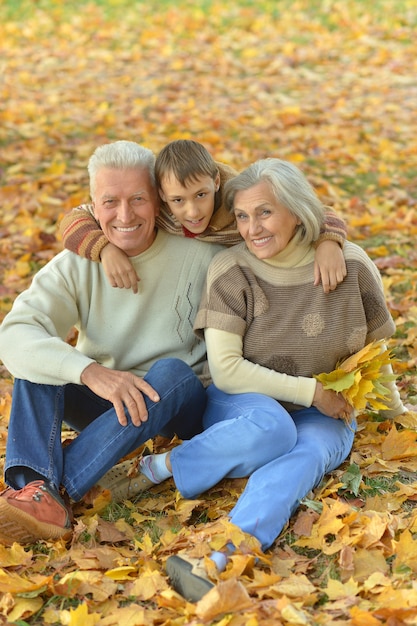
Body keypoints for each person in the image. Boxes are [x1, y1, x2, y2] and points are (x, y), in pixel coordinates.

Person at [123, 158, 405, 602]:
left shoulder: (350, 264)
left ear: (297, 210)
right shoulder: (232, 270)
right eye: (241, 215)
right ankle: (164, 468)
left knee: (307, 455)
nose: (252, 228)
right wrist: (313, 392)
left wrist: (396, 414)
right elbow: (228, 369)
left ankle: (219, 560)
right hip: (244, 400)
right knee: (273, 427)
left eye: (265, 212)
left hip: (327, 412)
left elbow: (376, 350)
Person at [0, 140, 224, 545]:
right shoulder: (77, 261)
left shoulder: (202, 247)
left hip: (179, 406)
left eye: (138, 199)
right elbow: (14, 335)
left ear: (157, 198)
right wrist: (89, 371)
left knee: (171, 372)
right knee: (38, 361)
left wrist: (331, 238)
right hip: (108, 404)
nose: (124, 215)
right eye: (110, 202)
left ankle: (56, 490)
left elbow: (271, 206)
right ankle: (33, 489)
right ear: (91, 205)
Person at [60, 139, 348, 295]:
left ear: (216, 182)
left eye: (201, 195)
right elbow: (74, 219)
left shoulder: (240, 208)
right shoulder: (154, 212)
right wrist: (106, 250)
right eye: (178, 200)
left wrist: (328, 243)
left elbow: (314, 211)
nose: (192, 212)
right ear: (161, 195)